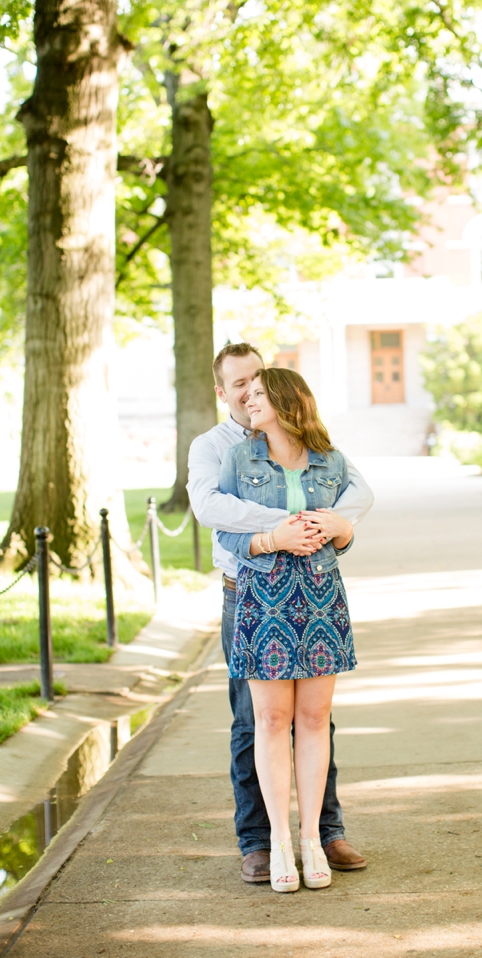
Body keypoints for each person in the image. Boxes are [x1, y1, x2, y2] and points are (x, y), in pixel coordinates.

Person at [187, 343, 373, 885]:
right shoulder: (219, 448)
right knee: (256, 721)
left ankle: (324, 833)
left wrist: (335, 526)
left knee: (316, 720)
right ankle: (260, 843)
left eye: (258, 380)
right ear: (222, 392)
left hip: (315, 592)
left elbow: (356, 492)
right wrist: (280, 529)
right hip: (248, 593)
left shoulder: (320, 448)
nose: (250, 392)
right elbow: (212, 510)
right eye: (240, 384)